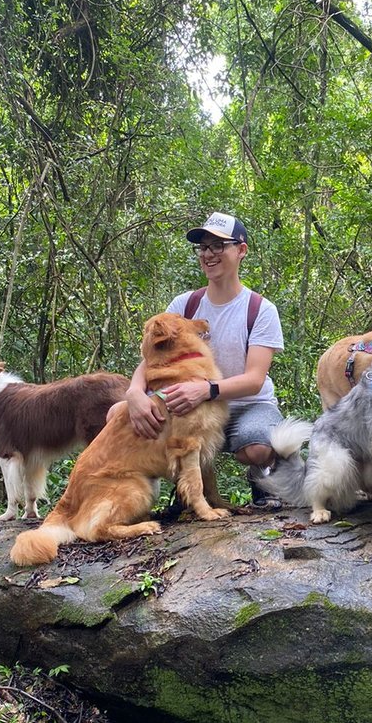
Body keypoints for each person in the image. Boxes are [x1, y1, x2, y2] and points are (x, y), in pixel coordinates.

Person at [121, 212, 284, 508]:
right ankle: (174, 493)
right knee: (117, 416)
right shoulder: (185, 305)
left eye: (219, 246)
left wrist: (206, 389)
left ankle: (265, 476)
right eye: (203, 247)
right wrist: (133, 393)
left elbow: (254, 379)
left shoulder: (260, 309)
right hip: (191, 405)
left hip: (244, 405)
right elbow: (153, 359)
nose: (209, 254)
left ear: (242, 250)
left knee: (258, 446)